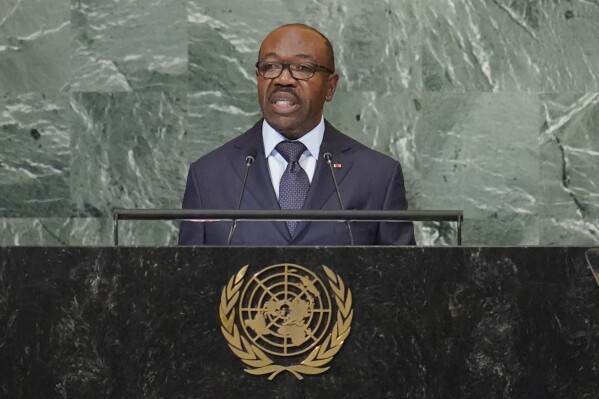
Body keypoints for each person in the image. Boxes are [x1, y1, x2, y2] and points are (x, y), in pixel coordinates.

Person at [178, 23, 415, 245]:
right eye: (269, 67)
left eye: (302, 68)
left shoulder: (377, 176)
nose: (283, 79)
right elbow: (190, 280)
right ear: (257, 79)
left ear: (330, 86)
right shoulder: (209, 176)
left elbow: (401, 281)